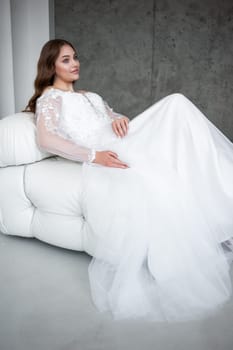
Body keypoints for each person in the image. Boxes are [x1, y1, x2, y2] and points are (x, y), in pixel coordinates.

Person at [25, 39, 233, 322]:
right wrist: (94, 155)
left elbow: (116, 118)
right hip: (104, 153)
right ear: (50, 65)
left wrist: (118, 119)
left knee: (180, 116)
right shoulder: (50, 98)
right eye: (65, 60)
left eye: (75, 57)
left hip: (124, 140)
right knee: (175, 103)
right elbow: (46, 138)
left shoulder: (91, 95)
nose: (74, 63)